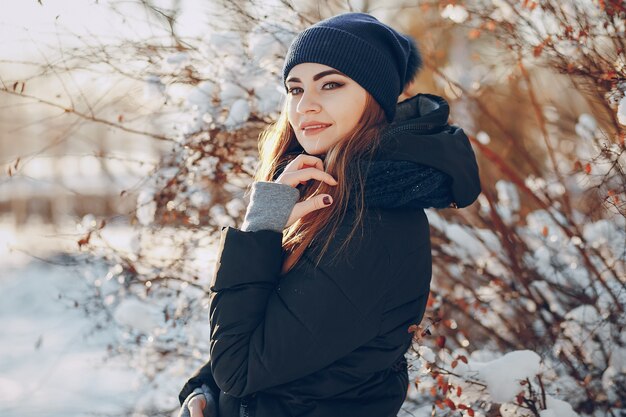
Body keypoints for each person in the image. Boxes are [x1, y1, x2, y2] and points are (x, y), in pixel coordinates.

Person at [177, 11, 481, 417]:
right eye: (295, 88)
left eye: (331, 84)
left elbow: (242, 368)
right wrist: (204, 391)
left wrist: (262, 223)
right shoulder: (330, 195)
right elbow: (271, 327)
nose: (306, 105)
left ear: (375, 99)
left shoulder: (376, 226)